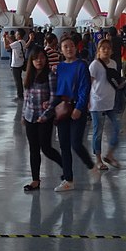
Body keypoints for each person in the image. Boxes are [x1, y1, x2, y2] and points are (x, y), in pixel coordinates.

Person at [43, 34, 95, 192]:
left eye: (71, 46)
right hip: (62, 108)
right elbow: (56, 89)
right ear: (61, 50)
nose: (69, 49)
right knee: (64, 145)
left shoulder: (82, 65)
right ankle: (68, 179)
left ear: (76, 47)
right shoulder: (59, 67)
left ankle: (91, 166)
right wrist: (50, 104)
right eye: (65, 47)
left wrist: (80, 108)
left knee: (76, 143)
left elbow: (85, 88)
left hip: (76, 108)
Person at [22, 47, 63, 192]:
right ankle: (35, 180)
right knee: (33, 149)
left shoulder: (50, 75)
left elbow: (54, 98)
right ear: (31, 61)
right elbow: (26, 98)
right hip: (30, 117)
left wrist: (45, 115)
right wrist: (23, 115)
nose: (39, 60)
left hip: (44, 118)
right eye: (36, 58)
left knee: (46, 148)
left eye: (42, 57)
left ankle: (66, 168)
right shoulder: (29, 76)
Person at [88, 40, 121, 171]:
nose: (106, 50)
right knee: (98, 132)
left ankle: (110, 154)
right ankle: (98, 160)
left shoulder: (113, 63)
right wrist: (87, 101)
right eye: (103, 48)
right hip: (97, 103)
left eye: (108, 48)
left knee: (118, 128)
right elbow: (88, 83)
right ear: (98, 50)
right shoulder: (95, 65)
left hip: (110, 102)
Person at [9, 28, 27, 100]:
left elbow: (7, 46)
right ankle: (21, 94)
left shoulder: (17, 43)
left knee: (17, 80)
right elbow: (13, 44)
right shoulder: (23, 42)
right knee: (19, 79)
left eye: (16, 34)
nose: (15, 35)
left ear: (19, 35)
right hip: (21, 63)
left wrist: (5, 39)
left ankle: (20, 95)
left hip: (15, 64)